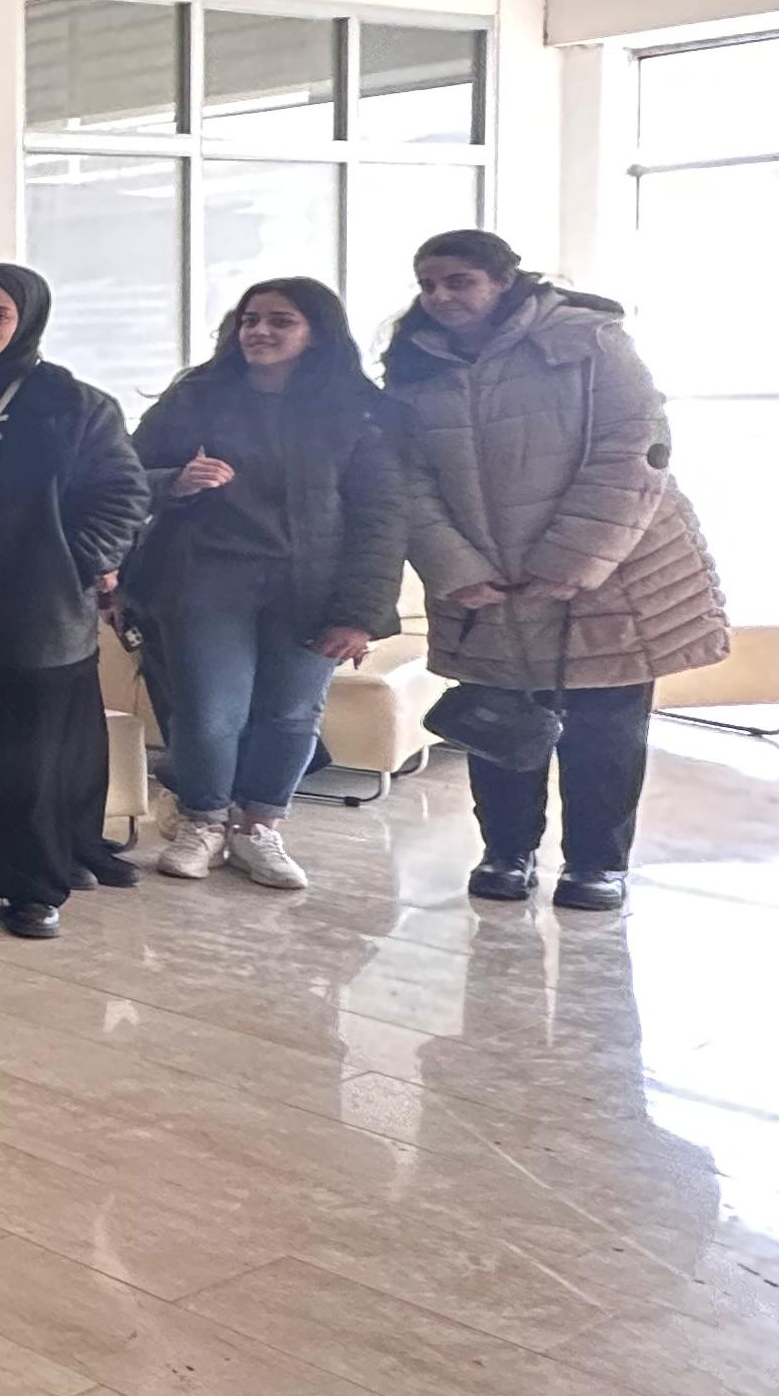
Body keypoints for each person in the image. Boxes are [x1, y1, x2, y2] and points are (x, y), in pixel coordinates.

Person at [382, 228, 729, 911]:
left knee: (605, 731)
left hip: (612, 574)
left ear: (504, 279)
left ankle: (597, 864)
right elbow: (404, 478)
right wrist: (455, 566)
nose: (441, 296)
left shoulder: (588, 340)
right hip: (484, 582)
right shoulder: (415, 364)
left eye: (459, 281)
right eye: (428, 284)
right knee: (497, 722)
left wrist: (571, 561)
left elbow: (634, 452)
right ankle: (505, 852)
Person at [128, 279, 404, 894]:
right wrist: (175, 481)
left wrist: (360, 613)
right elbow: (124, 471)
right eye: (251, 319)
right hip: (206, 578)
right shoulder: (196, 397)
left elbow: (382, 518)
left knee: (291, 713)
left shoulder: (355, 411)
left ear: (317, 334)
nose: (260, 331)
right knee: (208, 710)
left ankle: (260, 826)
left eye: (281, 321)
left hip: (312, 587)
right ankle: (202, 821)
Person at [0, 264, 147, 941]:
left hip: (36, 603)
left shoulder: (72, 402)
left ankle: (33, 885)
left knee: (29, 755)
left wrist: (72, 559)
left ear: (26, 321)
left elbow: (123, 494)